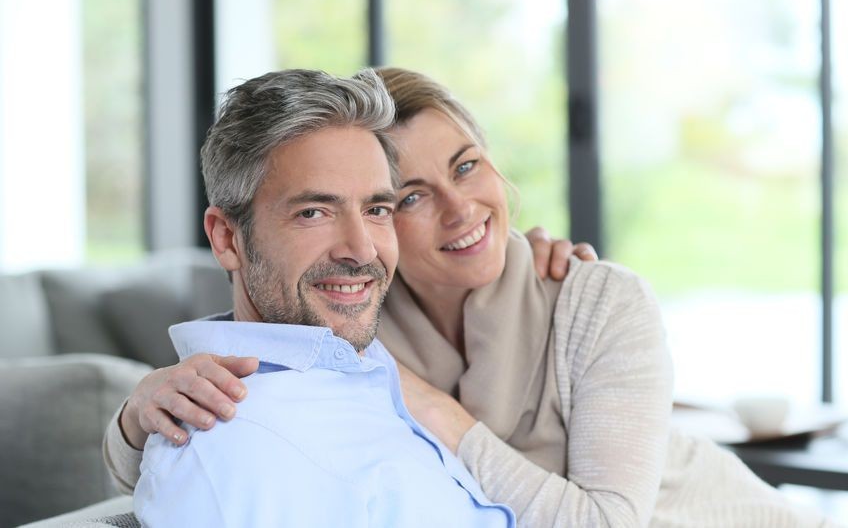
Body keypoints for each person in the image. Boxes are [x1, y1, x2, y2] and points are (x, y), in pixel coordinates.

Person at [107, 67, 837, 527]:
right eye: (415, 196)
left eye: (468, 166)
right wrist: (138, 417)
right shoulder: (356, 314)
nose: (463, 210)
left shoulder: (594, 300)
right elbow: (260, 376)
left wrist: (435, 408)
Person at [131, 68, 515, 527]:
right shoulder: (235, 445)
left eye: (377, 210)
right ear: (227, 239)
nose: (361, 250)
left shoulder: (361, 367)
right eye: (314, 212)